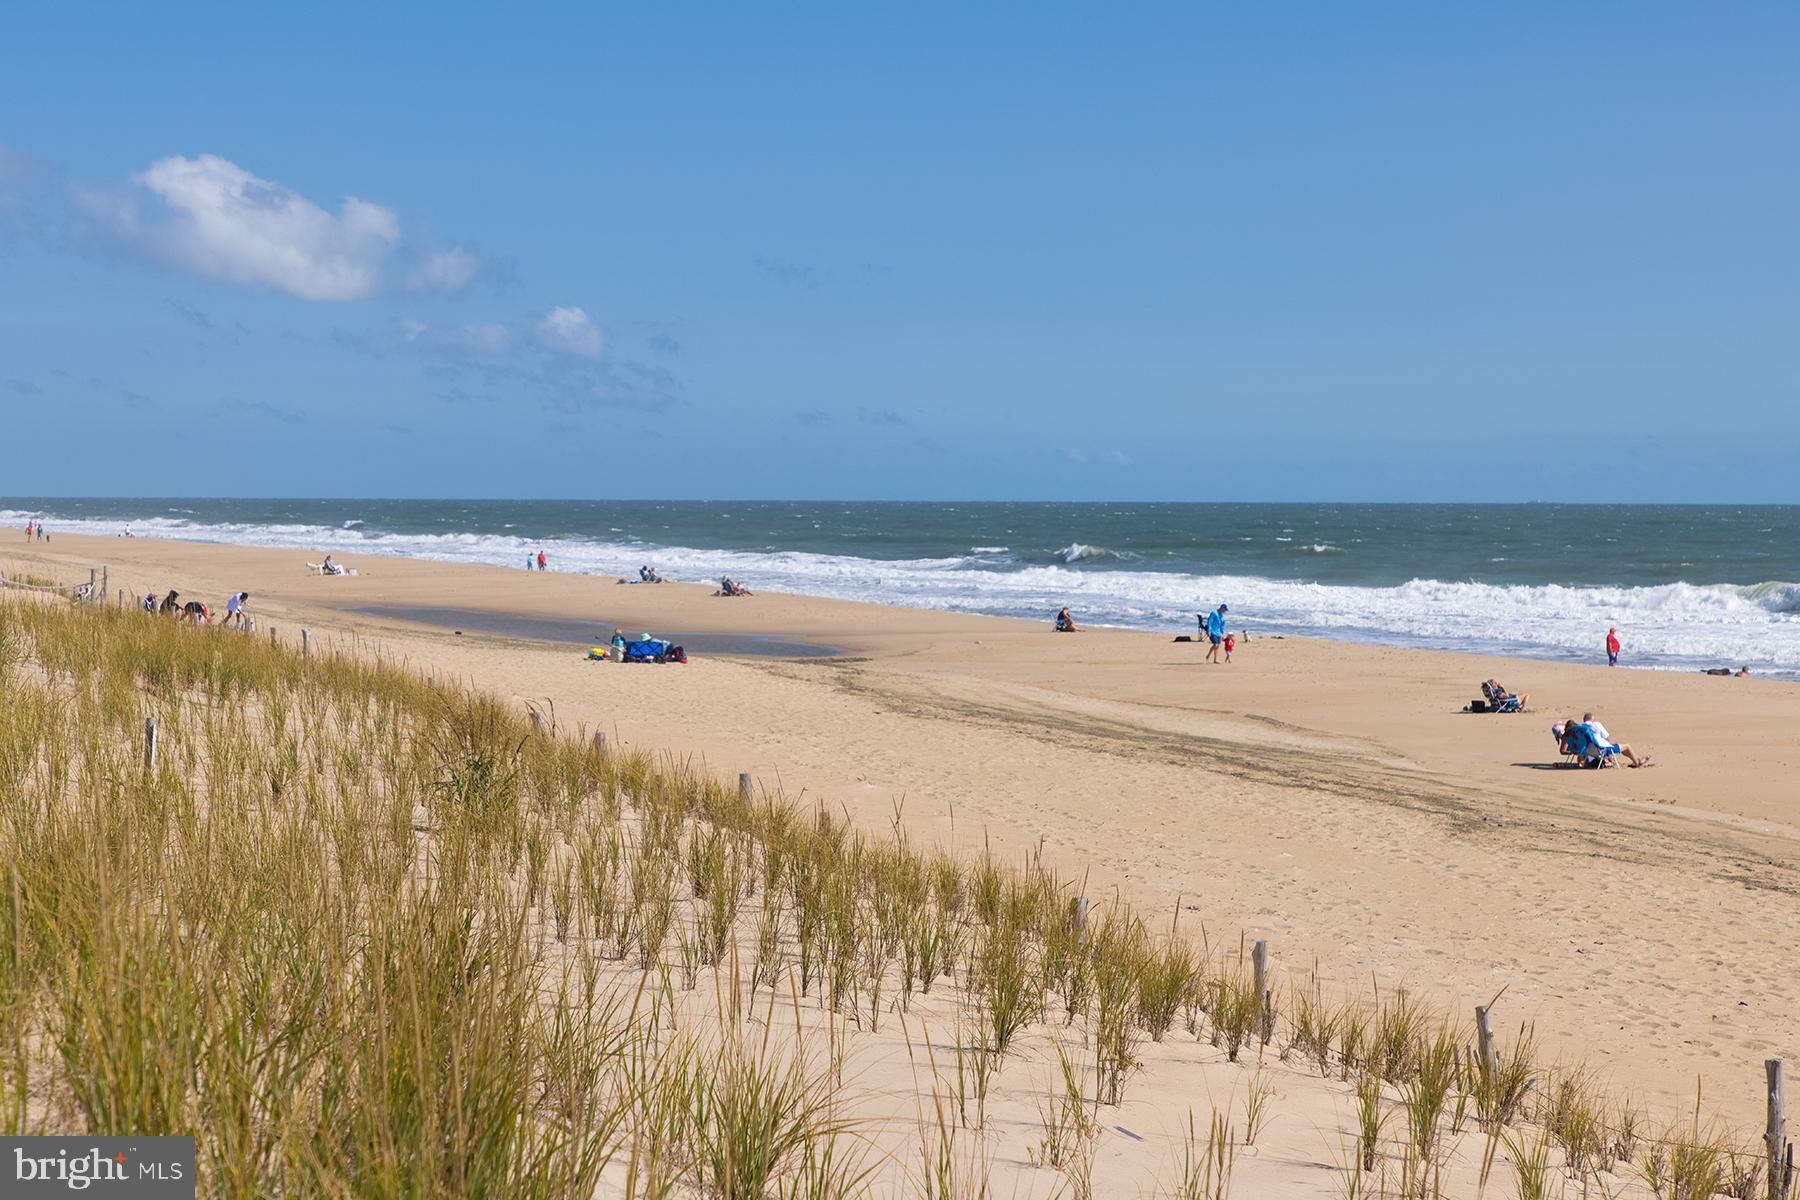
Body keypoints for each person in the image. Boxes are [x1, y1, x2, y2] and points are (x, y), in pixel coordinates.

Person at [1580, 712, 1652, 768]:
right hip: (1601, 751)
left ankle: (1637, 759)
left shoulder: (1580, 727)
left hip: (1588, 752)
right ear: (1592, 719)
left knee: (1621, 746)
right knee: (1627, 746)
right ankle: (1637, 763)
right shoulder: (1596, 724)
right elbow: (1607, 737)